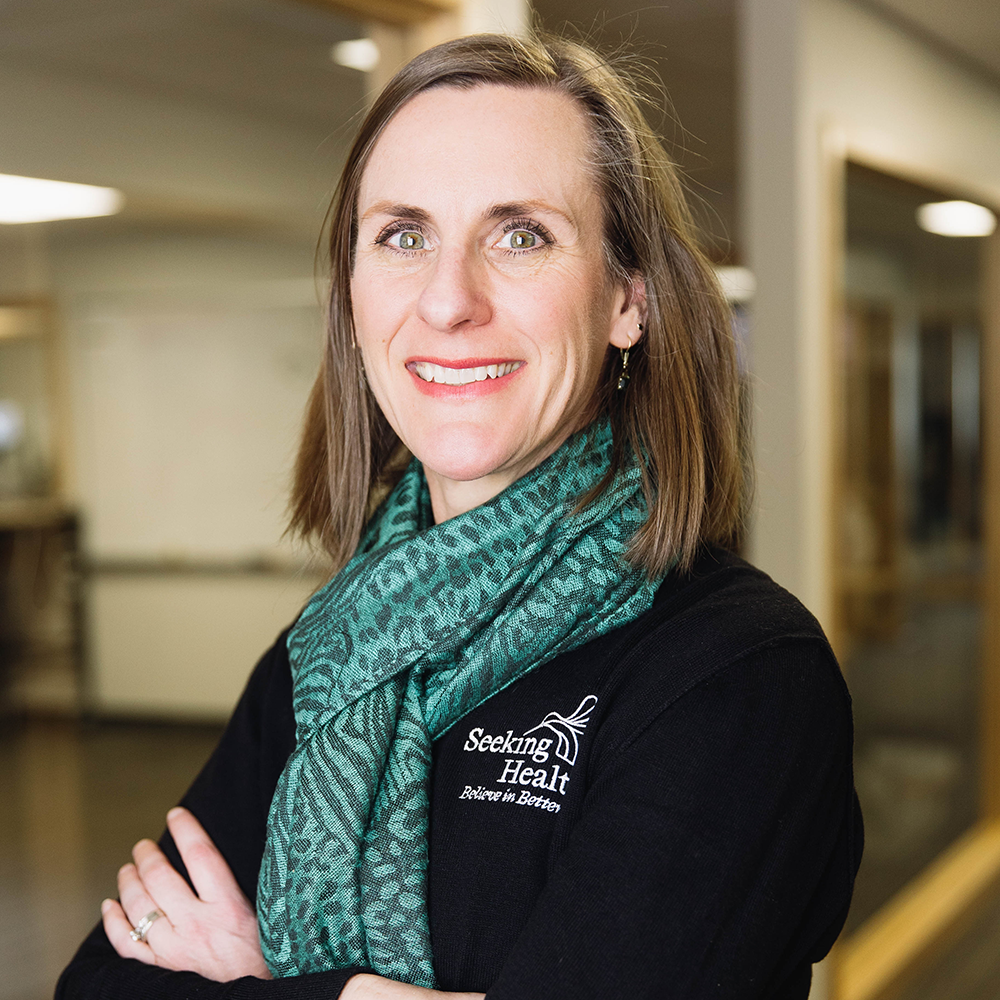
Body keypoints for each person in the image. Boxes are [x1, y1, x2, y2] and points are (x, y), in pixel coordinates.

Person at [57, 31, 861, 1000]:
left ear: (627, 298)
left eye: (520, 234)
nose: (448, 300)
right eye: (402, 234)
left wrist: (270, 980)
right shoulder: (330, 656)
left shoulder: (737, 675)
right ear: (351, 295)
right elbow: (100, 984)